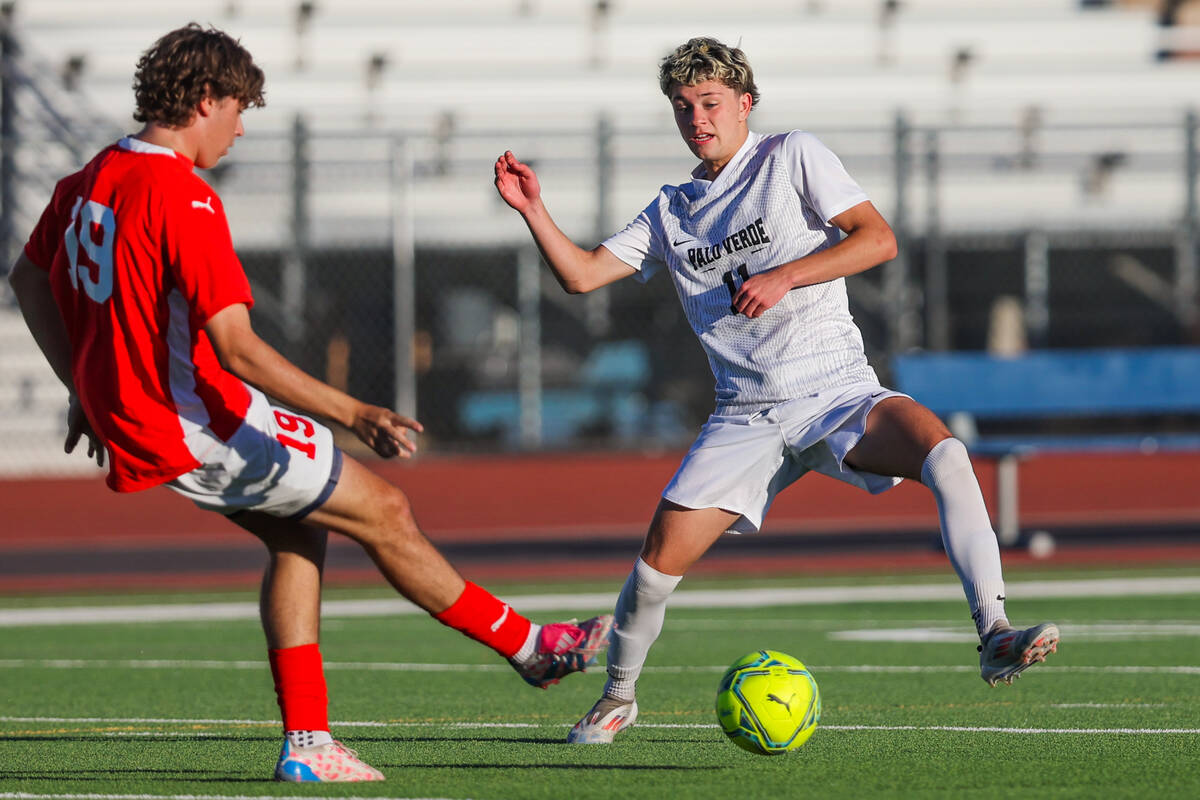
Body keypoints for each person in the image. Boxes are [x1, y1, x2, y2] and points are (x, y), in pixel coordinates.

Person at [9, 24, 611, 781]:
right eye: (237, 109)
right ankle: (533, 650)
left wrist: (86, 385)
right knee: (385, 510)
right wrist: (354, 412)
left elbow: (30, 280)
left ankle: (309, 743)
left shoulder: (92, 176)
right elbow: (239, 349)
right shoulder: (181, 198)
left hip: (158, 420)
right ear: (204, 101)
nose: (238, 128)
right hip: (205, 421)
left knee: (300, 536)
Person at [494, 36, 1059, 744]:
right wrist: (532, 209)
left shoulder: (791, 155)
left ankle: (994, 632)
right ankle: (618, 696)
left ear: (745, 103)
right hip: (746, 414)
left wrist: (789, 274)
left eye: (709, 102)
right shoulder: (671, 209)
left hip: (836, 391)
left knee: (946, 455)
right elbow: (580, 275)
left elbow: (877, 239)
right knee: (656, 561)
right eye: (682, 106)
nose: (697, 117)